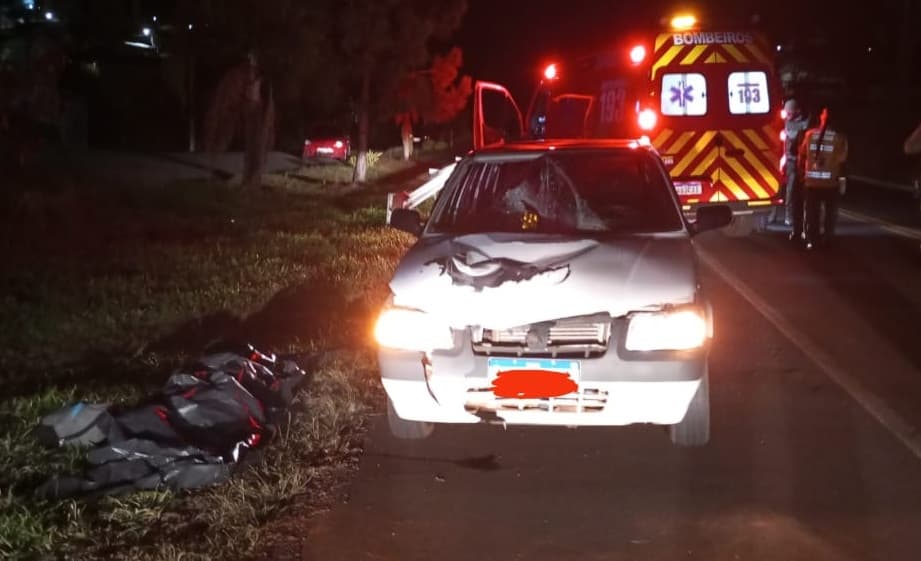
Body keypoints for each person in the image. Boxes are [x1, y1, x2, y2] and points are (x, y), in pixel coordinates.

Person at [799, 106, 848, 249]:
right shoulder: (840, 138)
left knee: (812, 213)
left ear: (821, 117)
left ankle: (812, 239)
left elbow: (802, 153)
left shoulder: (809, 135)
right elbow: (842, 158)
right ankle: (828, 238)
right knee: (830, 213)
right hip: (830, 183)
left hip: (811, 182)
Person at [782, 98, 810, 240]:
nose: (787, 115)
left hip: (798, 163)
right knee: (789, 190)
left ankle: (792, 217)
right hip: (791, 162)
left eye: (790, 113)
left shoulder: (798, 125)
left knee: (794, 191)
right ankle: (788, 216)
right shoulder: (796, 124)